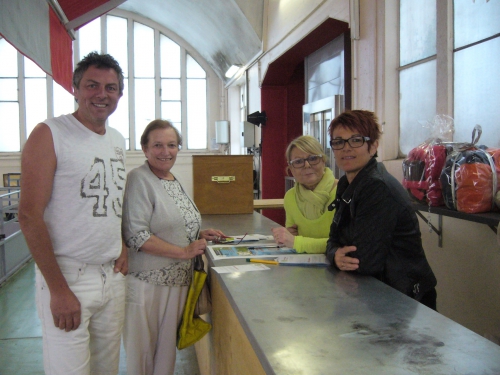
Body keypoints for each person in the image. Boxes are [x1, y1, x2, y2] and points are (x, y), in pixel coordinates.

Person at [18, 52, 128, 375]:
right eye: (92, 85)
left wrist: (121, 244)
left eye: (110, 88)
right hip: (68, 277)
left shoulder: (118, 140)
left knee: (106, 370)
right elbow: (28, 216)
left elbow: (112, 200)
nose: (101, 94)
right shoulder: (50, 134)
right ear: (75, 89)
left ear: (120, 95)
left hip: (112, 277)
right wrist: (58, 288)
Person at [122, 119, 224, 375]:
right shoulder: (139, 179)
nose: (165, 151)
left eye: (171, 144)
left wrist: (198, 233)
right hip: (148, 282)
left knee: (166, 354)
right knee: (142, 356)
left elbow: (168, 224)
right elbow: (136, 235)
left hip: (178, 282)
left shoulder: (171, 178)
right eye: (157, 145)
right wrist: (184, 252)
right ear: (145, 149)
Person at [325, 110, 437, 309]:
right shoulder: (346, 183)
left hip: (403, 298)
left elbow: (364, 261)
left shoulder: (378, 188)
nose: (346, 148)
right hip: (373, 293)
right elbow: (333, 238)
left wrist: (337, 253)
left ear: (373, 145)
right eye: (338, 142)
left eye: (356, 140)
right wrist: (335, 254)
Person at [271, 135, 337, 253]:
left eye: (313, 158)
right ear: (291, 168)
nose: (307, 165)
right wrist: (286, 236)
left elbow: (342, 245)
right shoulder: (291, 197)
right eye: (298, 162)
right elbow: (291, 236)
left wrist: (297, 242)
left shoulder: (343, 192)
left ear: (323, 160)